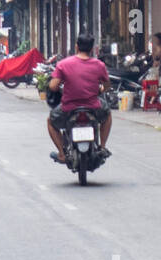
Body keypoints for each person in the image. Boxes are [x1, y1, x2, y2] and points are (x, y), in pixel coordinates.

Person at [47, 32, 112, 164]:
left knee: (50, 121)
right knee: (107, 115)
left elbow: (53, 86)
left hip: (68, 108)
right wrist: (99, 90)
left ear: (76, 47)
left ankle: (61, 153)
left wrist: (59, 84)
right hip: (93, 107)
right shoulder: (99, 65)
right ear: (92, 49)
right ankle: (103, 147)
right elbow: (107, 85)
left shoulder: (63, 64)